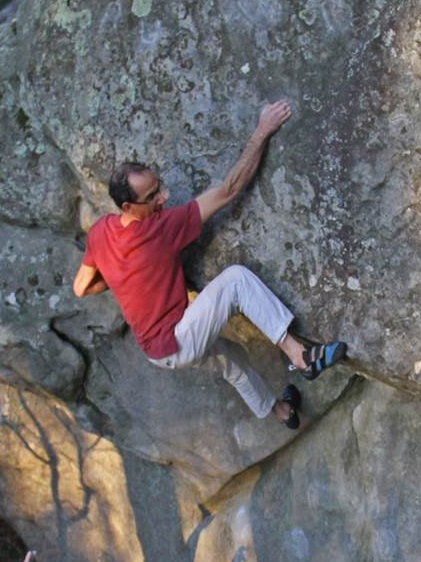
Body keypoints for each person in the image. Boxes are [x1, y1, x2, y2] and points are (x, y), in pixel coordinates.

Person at [72, 99, 347, 429]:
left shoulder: (102, 231)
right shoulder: (160, 230)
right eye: (153, 196)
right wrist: (262, 131)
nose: (163, 198)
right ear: (129, 205)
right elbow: (229, 189)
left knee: (234, 365)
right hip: (178, 338)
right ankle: (300, 355)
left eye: (159, 187)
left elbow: (81, 287)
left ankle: (282, 412)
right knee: (235, 280)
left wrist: (121, 277)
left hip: (157, 352)